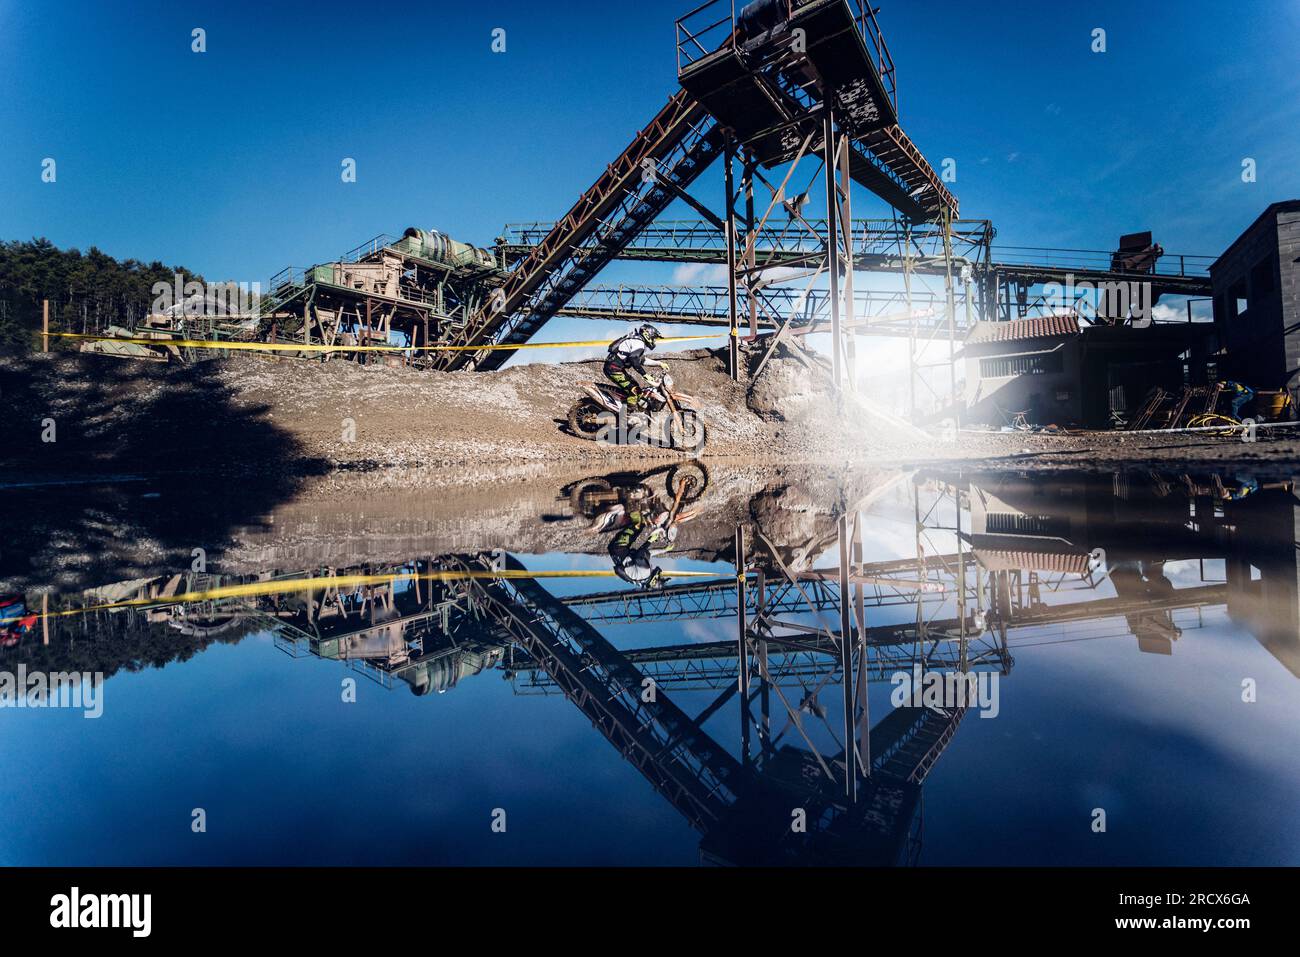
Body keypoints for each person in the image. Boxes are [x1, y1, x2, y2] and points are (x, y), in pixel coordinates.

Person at [604, 324, 667, 412]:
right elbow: (634, 360)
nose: (654, 340)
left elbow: (641, 360)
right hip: (613, 369)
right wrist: (645, 375)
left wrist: (659, 363)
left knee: (635, 387)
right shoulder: (639, 343)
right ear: (648, 334)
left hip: (615, 368)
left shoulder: (637, 340)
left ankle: (624, 407)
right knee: (634, 390)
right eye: (654, 338)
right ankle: (628, 415)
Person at [607, 505, 669, 590]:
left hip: (619, 548)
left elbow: (640, 553)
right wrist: (664, 550)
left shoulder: (645, 572)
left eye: (660, 578)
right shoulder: (643, 578)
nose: (660, 575)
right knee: (638, 529)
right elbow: (648, 554)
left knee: (638, 524)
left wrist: (650, 541)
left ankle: (632, 504)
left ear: (655, 580)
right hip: (619, 551)